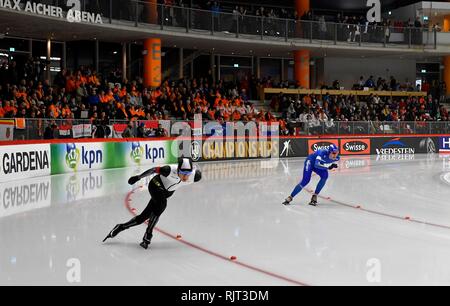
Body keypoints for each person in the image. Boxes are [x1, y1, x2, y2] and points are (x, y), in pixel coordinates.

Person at [103, 157, 202, 249]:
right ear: (178, 170)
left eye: (187, 174)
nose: (185, 177)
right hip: (155, 185)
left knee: (142, 218)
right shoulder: (169, 170)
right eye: (182, 173)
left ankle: (120, 227)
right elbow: (154, 170)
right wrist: (138, 177)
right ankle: (148, 234)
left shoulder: (195, 176)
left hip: (166, 192)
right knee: (162, 203)